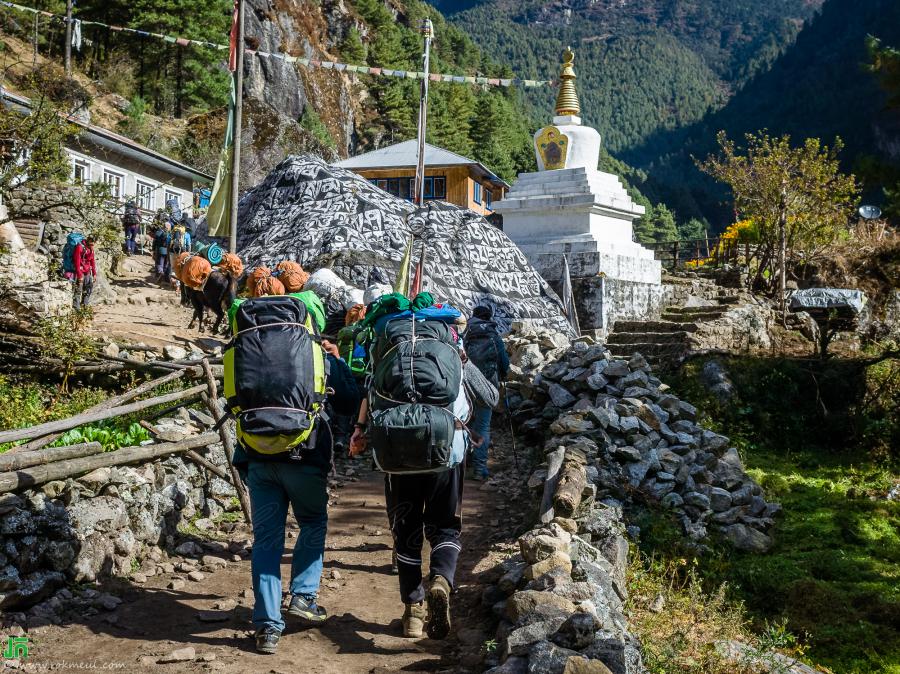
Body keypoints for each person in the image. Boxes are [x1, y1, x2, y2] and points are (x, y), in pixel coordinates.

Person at [230, 304, 359, 655]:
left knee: (267, 541)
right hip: (305, 455)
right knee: (313, 522)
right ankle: (303, 595)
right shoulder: (318, 355)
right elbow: (350, 400)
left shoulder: (244, 349)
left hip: (257, 456)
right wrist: (335, 360)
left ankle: (268, 626)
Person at [349, 294, 471, 641]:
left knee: (406, 530)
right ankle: (442, 582)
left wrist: (359, 432)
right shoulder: (452, 345)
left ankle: (414, 612)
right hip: (445, 450)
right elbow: (479, 398)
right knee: (445, 526)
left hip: (398, 454)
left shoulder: (386, 342)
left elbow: (369, 392)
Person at [463, 305, 509, 480]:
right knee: (482, 426)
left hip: (467, 387)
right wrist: (502, 376)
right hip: (488, 387)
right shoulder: (494, 336)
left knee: (464, 424)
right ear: (489, 318)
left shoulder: (466, 333)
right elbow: (504, 363)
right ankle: (479, 469)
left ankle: (463, 463)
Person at [72, 237, 96, 311]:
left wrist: (94, 273)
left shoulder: (91, 249)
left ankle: (85, 306)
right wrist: (79, 275)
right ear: (88, 242)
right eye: (91, 244)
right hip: (80, 272)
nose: (92, 246)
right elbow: (77, 261)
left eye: (93, 244)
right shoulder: (80, 247)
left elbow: (92, 261)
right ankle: (77, 309)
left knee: (88, 289)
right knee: (78, 290)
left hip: (88, 272)